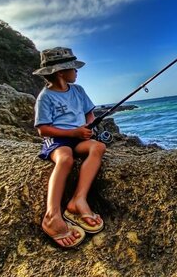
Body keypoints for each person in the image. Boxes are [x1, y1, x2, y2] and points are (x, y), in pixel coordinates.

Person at [33, 47, 106, 248]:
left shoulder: (78, 90)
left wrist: (88, 127)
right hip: (58, 139)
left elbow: (89, 114)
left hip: (79, 137)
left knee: (97, 147)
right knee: (65, 159)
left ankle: (78, 201)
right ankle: (52, 215)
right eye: (73, 68)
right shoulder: (45, 97)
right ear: (60, 73)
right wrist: (72, 134)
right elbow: (43, 130)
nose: (77, 71)